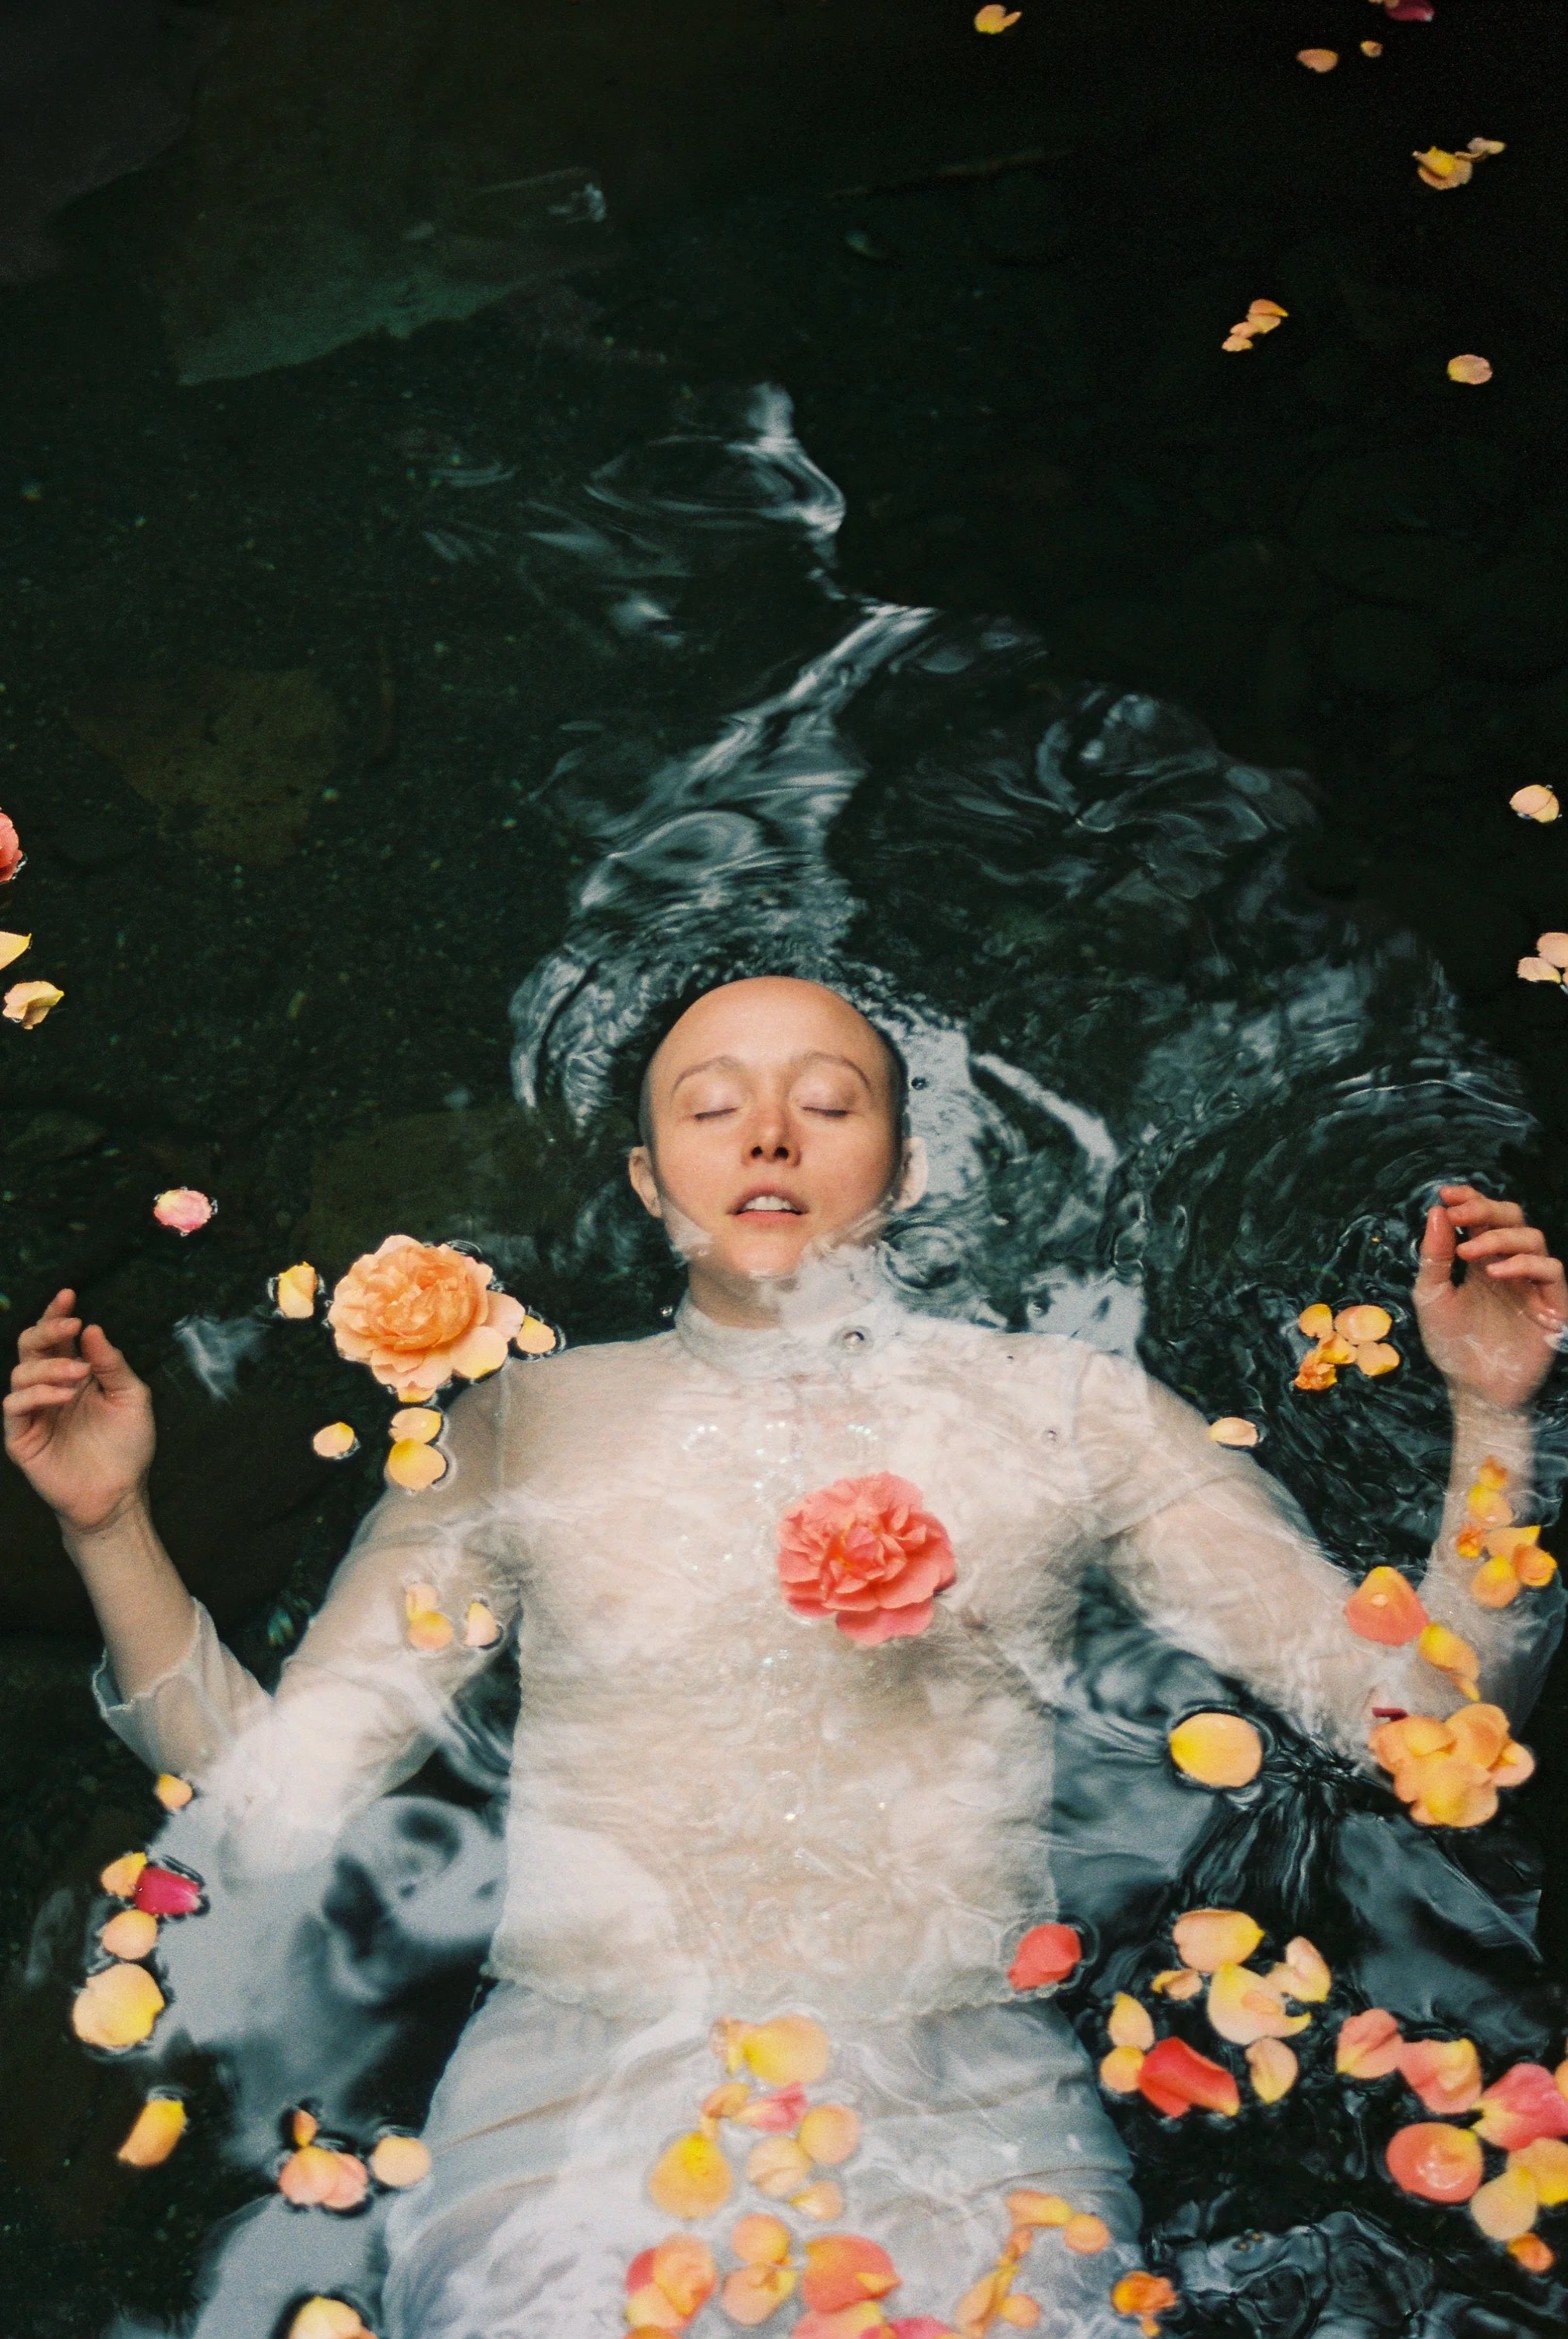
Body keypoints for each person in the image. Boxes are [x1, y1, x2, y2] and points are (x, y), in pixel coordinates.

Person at [6, 976, 1566, 2338]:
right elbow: (274, 1799)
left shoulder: (1068, 1411)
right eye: (711, 1104)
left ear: (899, 1163)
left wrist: (1494, 1413)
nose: (768, 1133)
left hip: (966, 2102)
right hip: (571, 2089)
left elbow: (1427, 1725)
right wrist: (108, 1523)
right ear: (645, 1173)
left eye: (826, 1101)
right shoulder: (523, 1421)